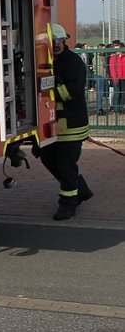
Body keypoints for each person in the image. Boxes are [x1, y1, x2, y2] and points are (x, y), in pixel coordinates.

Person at [37, 23, 93, 221]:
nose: (57, 44)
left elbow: (72, 92)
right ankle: (81, 189)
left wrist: (50, 86)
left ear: (64, 40)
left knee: (66, 164)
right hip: (50, 126)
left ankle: (68, 204)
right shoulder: (43, 61)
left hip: (72, 126)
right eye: (53, 41)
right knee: (47, 158)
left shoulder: (73, 62)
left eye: (59, 40)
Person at [111, 41, 125, 114]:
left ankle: (121, 108)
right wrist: (114, 77)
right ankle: (116, 109)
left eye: (118, 49)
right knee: (117, 93)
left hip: (123, 77)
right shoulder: (113, 58)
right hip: (116, 78)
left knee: (123, 93)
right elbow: (112, 68)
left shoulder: (123, 57)